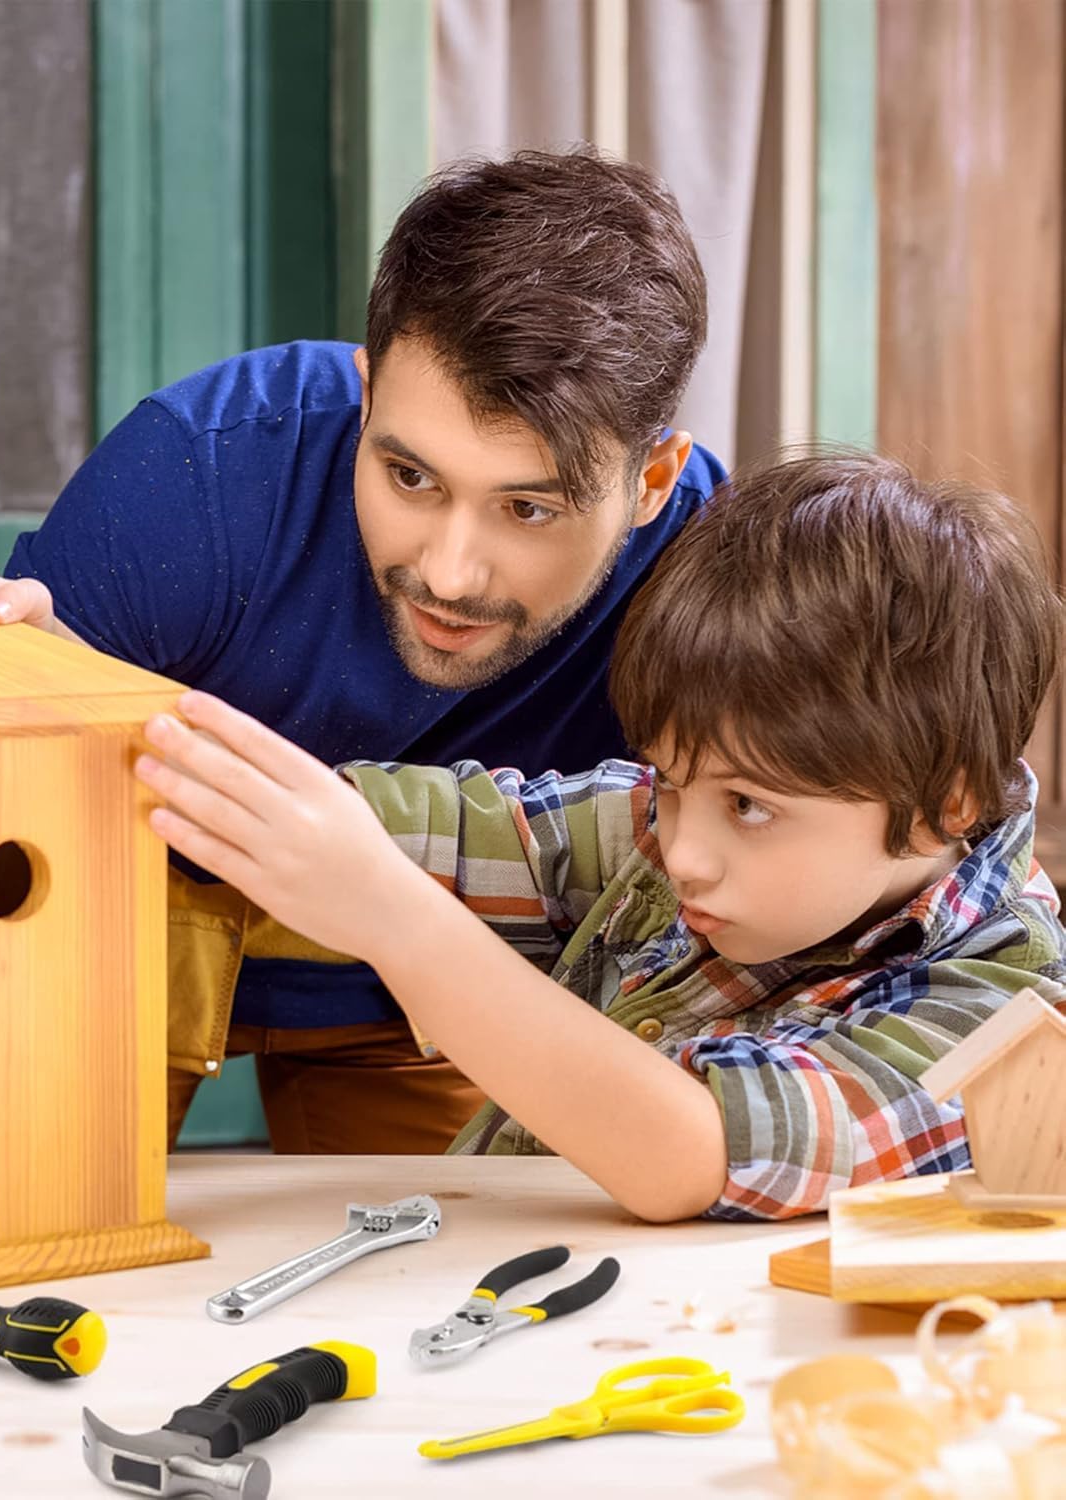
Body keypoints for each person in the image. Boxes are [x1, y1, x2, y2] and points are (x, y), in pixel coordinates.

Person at [0, 149, 725, 1155]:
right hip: (108, 925)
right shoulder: (193, 471)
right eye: (409, 477)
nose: (450, 574)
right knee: (1, 1210)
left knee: (466, 1237)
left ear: (650, 482)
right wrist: (28, 696)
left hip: (438, 962)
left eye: (527, 508)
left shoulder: (712, 573)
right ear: (365, 397)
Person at [132, 453, 1066, 1221]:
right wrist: (119, 731)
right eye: (670, 781)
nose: (681, 852)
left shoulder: (1006, 1015)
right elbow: (435, 826)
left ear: (944, 804)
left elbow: (691, 1152)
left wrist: (396, 921)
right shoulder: (665, 830)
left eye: (748, 806)